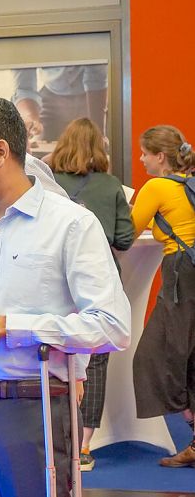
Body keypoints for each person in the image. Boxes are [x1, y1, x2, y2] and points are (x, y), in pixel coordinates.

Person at [0, 95, 130, 497]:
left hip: (33, 407)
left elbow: (113, 326)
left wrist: (10, 327)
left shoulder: (71, 225)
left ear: (1, 152)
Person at [47, 116, 134, 471]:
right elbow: (125, 239)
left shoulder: (47, 182)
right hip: (98, 281)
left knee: (54, 356)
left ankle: (55, 438)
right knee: (94, 359)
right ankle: (83, 447)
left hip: (54, 282)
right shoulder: (111, 184)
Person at [130, 124, 195, 467]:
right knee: (189, 357)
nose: (140, 159)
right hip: (190, 274)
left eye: (144, 153)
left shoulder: (156, 186)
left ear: (160, 157)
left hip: (179, 277)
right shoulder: (190, 183)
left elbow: (128, 231)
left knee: (154, 357)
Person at [12, 65, 108, 142]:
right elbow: (24, 87)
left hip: (94, 94)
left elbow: (97, 78)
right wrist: (31, 120)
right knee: (38, 139)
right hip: (51, 91)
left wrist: (98, 133)